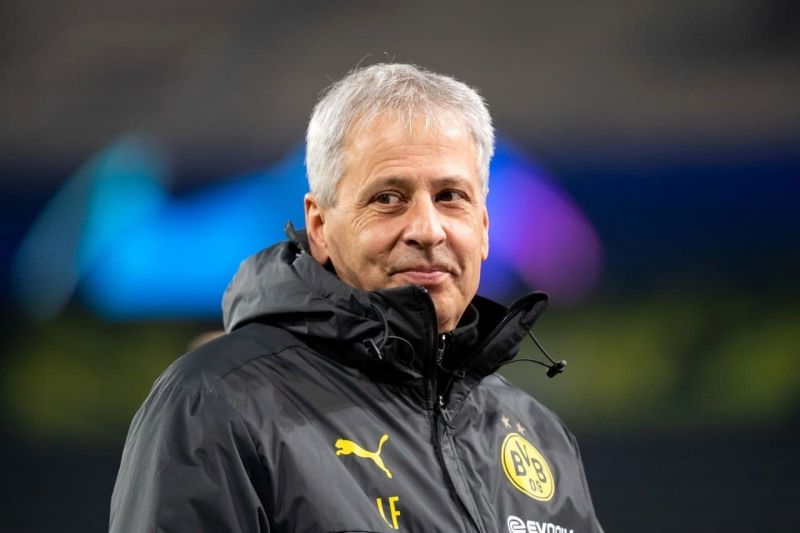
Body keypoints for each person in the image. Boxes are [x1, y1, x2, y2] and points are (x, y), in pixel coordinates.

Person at [109, 63, 603, 533]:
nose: (428, 230)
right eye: (388, 198)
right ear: (319, 227)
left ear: (485, 227)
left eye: (450, 197)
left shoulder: (540, 435)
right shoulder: (215, 402)